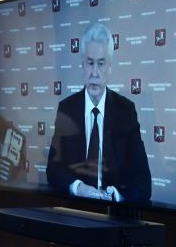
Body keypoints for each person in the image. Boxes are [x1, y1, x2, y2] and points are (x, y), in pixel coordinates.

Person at [45, 23, 151, 203]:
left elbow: (143, 183)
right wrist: (78, 188)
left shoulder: (126, 111)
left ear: (110, 67)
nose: (94, 73)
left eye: (101, 64)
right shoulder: (67, 108)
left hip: (113, 216)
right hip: (75, 211)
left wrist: (115, 196)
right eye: (90, 63)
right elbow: (53, 170)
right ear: (82, 66)